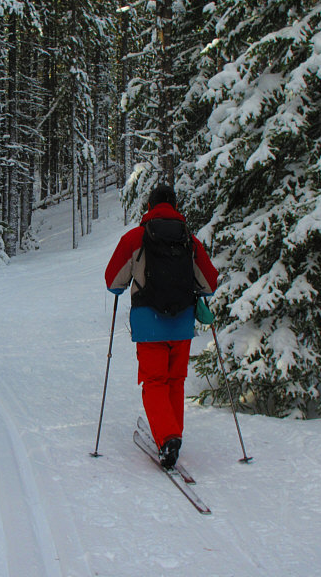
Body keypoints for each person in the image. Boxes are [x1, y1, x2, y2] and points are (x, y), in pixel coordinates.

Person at [104, 184, 218, 469]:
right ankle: (171, 435)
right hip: (181, 324)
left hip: (149, 323)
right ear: (175, 207)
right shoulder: (189, 240)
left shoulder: (135, 238)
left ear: (150, 206)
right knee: (175, 381)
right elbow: (209, 283)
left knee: (154, 381)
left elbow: (112, 281)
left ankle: (168, 439)